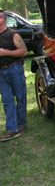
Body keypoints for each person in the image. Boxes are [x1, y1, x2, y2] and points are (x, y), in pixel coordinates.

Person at [0, 10, 28, 142]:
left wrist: (5, 52)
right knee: (7, 100)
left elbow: (24, 51)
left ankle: (21, 124)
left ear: (1, 19)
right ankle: (12, 129)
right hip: (1, 73)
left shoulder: (13, 34)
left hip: (14, 69)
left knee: (20, 97)